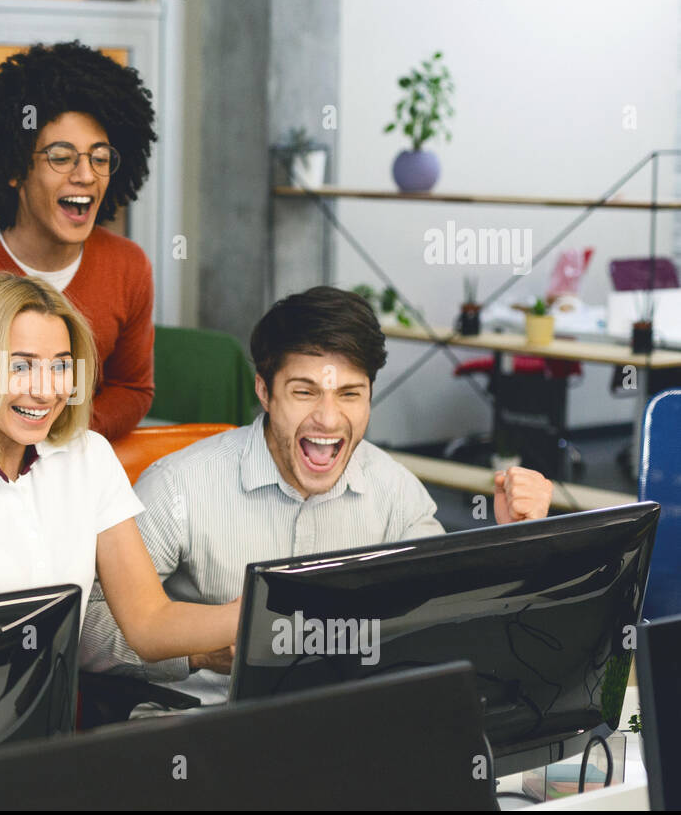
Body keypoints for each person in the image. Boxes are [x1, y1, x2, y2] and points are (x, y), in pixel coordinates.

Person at [79, 285, 556, 706]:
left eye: (349, 394)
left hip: (350, 726)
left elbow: (445, 623)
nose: (328, 419)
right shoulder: (180, 485)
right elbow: (86, 631)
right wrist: (195, 653)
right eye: (305, 392)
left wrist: (516, 544)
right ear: (264, 392)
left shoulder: (396, 492)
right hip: (205, 726)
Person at [0, 273, 238, 664]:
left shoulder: (90, 456)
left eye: (61, 366)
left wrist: (260, 612)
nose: (45, 391)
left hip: (55, 703)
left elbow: (149, 623)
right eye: (20, 367)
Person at [0, 41, 156, 442]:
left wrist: (59, 438)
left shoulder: (128, 266)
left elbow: (132, 388)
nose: (86, 175)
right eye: (61, 158)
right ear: (15, 168)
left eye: (100, 158)